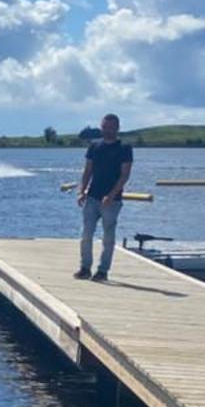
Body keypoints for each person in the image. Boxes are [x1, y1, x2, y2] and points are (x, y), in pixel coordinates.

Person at [75, 115, 132, 282]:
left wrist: (112, 195)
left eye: (111, 127)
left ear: (117, 128)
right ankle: (85, 268)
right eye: (105, 127)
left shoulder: (124, 148)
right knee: (86, 234)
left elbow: (125, 175)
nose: (107, 130)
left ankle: (102, 271)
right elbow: (87, 171)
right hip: (92, 197)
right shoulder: (94, 146)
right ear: (101, 127)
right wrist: (81, 191)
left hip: (112, 201)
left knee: (108, 237)